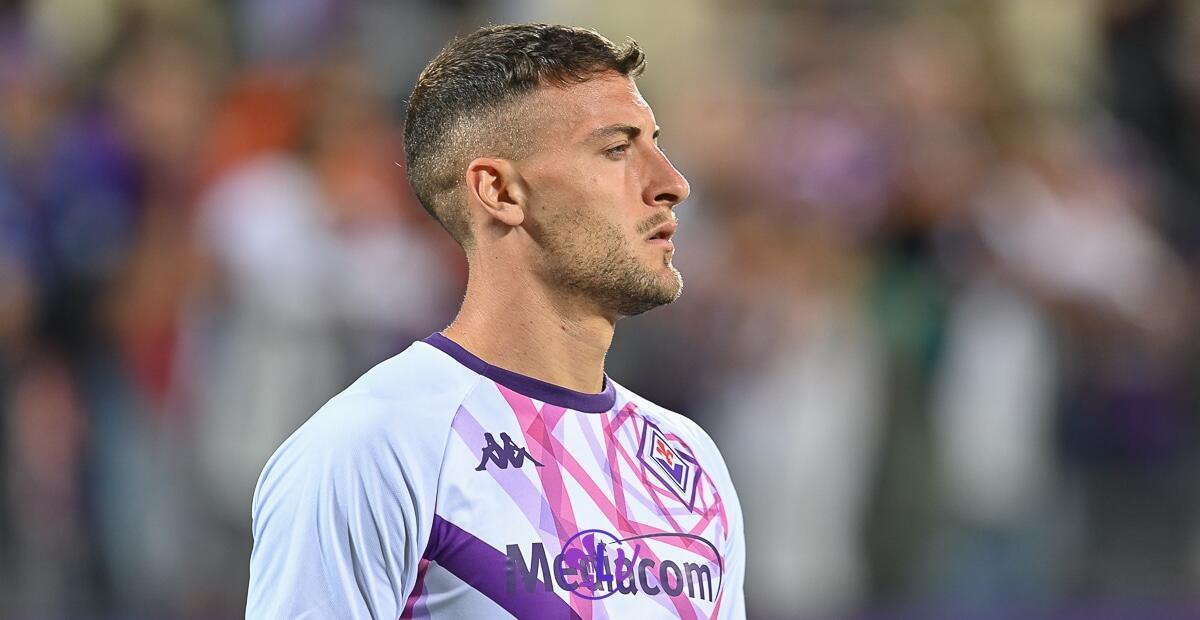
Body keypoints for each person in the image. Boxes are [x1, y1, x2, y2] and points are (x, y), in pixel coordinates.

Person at [246, 23, 745, 619]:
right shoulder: (374, 446)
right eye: (617, 149)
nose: (672, 184)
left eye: (655, 144)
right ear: (501, 192)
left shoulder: (691, 460)